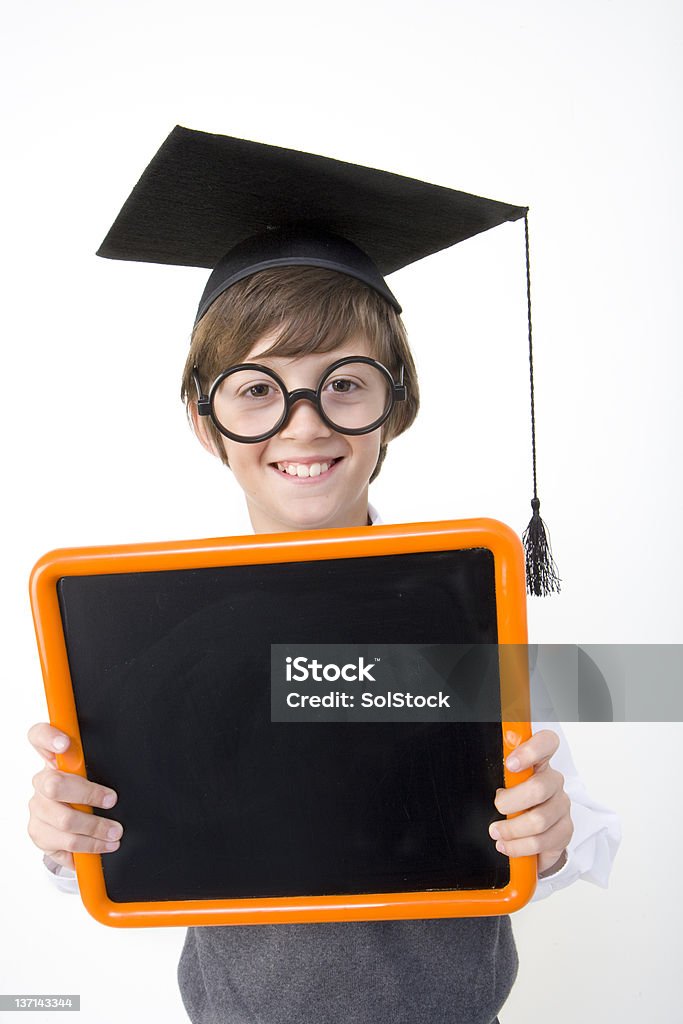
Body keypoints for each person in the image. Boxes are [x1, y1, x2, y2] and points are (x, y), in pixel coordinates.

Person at [27, 127, 620, 1024]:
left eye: (344, 383)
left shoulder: (458, 612)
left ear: (396, 406)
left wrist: (554, 833)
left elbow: (583, 838)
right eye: (257, 389)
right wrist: (66, 837)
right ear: (205, 422)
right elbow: (133, 853)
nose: (304, 425)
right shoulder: (148, 638)